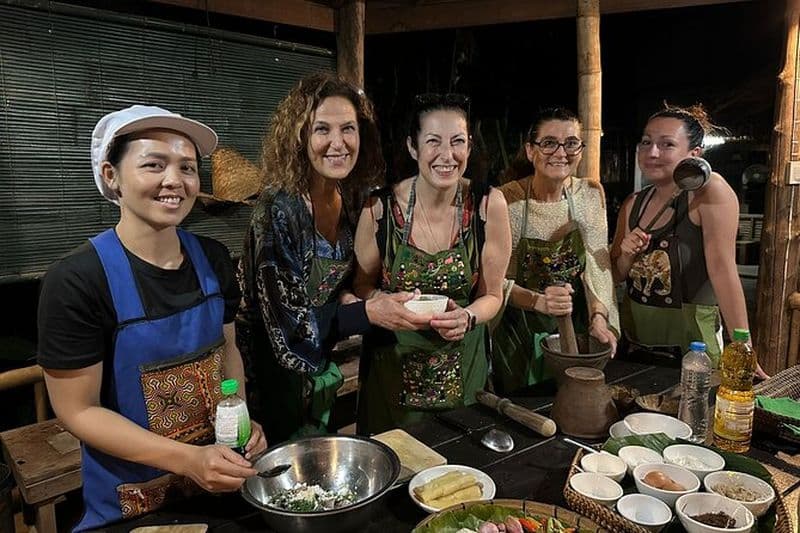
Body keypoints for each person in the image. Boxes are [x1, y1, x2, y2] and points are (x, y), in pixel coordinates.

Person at [37, 105, 267, 531]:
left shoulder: (214, 259)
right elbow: (78, 411)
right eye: (153, 165)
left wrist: (242, 415)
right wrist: (188, 459)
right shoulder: (77, 281)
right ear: (111, 175)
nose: (174, 181)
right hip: (135, 505)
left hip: (221, 485)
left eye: (187, 167)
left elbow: (228, 351)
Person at [237, 72, 428, 443]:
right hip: (271, 374)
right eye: (322, 129)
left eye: (349, 129)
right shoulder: (279, 210)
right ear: (299, 138)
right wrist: (367, 312)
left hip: (320, 362)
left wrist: (352, 295)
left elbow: (346, 279)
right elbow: (287, 326)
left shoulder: (352, 198)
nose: (337, 143)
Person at [353, 92, 512, 435]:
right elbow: (361, 286)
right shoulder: (380, 211)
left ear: (469, 147)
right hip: (390, 372)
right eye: (433, 141)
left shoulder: (488, 206)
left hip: (463, 371)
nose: (446, 155)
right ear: (413, 147)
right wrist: (379, 304)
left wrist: (467, 317)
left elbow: (493, 295)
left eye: (457, 142)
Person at [610, 103, 766, 377]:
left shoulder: (709, 192)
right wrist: (625, 255)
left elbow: (723, 271)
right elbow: (616, 276)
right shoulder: (632, 204)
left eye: (667, 144)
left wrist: (743, 350)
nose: (652, 152)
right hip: (635, 349)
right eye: (646, 142)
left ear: (694, 154)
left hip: (693, 353)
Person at [491, 107, 619, 394]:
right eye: (549, 143)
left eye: (571, 143)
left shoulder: (590, 193)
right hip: (517, 326)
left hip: (571, 322)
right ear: (530, 151)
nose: (561, 152)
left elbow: (598, 267)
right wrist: (537, 300)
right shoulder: (506, 199)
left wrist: (599, 317)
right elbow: (492, 279)